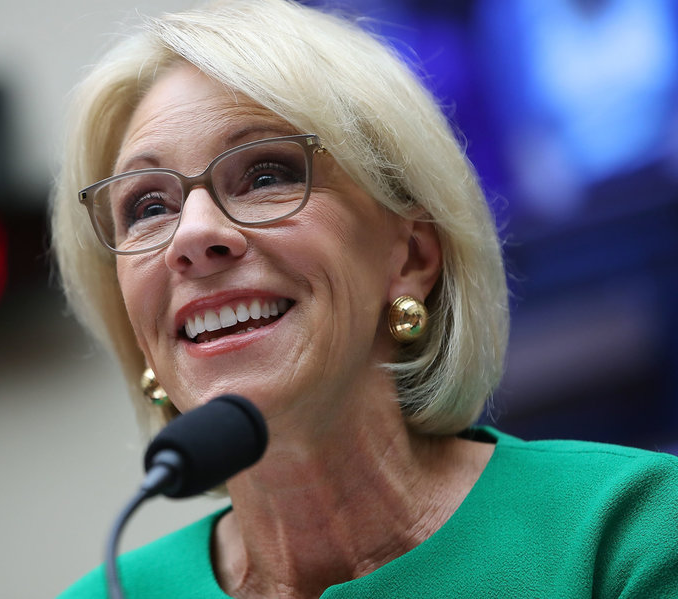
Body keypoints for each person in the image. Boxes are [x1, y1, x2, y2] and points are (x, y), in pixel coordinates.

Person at [51, 1, 678, 597]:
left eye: (266, 175)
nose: (192, 236)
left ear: (411, 257)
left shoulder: (630, 535)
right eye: (148, 207)